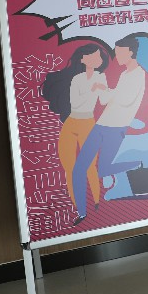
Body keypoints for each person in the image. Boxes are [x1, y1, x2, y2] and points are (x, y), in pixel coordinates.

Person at [71, 36, 146, 225]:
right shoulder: (124, 74)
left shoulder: (138, 75)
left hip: (116, 129)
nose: (116, 56)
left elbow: (125, 100)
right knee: (79, 168)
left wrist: (105, 89)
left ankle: (137, 163)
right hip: (101, 125)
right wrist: (103, 89)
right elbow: (109, 100)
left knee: (102, 170)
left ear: (130, 52)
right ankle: (81, 213)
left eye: (119, 52)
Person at [41, 43, 108, 216]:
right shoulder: (77, 79)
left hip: (88, 123)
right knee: (69, 166)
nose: (98, 59)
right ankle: (78, 208)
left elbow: (104, 100)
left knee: (89, 165)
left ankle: (96, 203)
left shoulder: (101, 77)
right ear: (83, 59)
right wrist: (92, 90)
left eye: (99, 56)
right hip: (71, 123)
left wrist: (105, 90)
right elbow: (75, 103)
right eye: (93, 55)